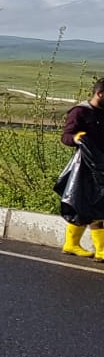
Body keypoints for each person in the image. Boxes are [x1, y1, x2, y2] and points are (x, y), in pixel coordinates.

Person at [60, 77, 104, 258]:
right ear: (100, 94)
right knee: (91, 206)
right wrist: (76, 138)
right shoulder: (80, 112)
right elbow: (66, 136)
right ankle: (100, 250)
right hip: (85, 169)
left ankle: (72, 244)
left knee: (93, 206)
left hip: (102, 165)